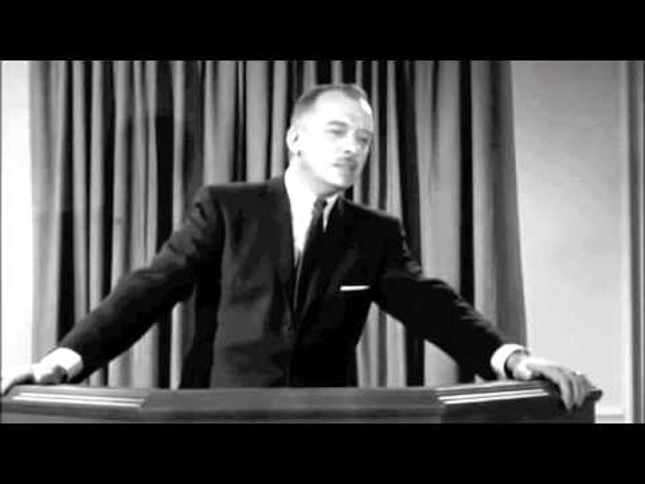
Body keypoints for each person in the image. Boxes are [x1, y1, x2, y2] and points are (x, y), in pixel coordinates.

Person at [1, 83, 593, 410]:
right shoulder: (227, 208)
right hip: (216, 417)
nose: (352, 148)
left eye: (363, 138)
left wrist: (515, 360)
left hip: (324, 417)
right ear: (295, 139)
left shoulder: (375, 233)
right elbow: (148, 290)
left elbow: (434, 306)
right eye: (337, 132)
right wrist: (57, 365)